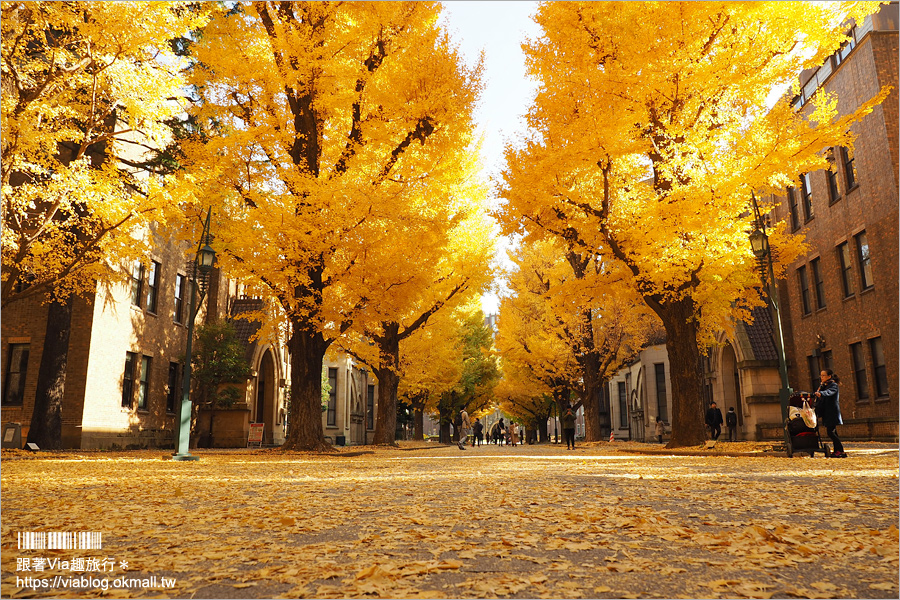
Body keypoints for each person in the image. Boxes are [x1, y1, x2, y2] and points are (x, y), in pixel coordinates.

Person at [815, 369, 846, 458]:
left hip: (832, 412)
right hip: (827, 412)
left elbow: (829, 392)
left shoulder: (833, 385)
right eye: (821, 375)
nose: (821, 377)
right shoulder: (823, 385)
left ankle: (840, 450)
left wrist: (821, 393)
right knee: (833, 432)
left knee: (830, 432)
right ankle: (837, 451)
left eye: (823, 375)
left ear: (829, 376)